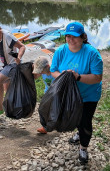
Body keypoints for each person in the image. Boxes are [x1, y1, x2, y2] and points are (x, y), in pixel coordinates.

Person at [50, 21, 103, 165]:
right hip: (69, 94)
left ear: (83, 37)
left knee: (85, 121)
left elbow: (98, 77)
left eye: (74, 36)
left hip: (89, 95)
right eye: (68, 36)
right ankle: (79, 133)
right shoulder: (61, 51)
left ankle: (83, 148)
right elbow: (53, 70)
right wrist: (64, 76)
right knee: (74, 117)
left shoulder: (92, 53)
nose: (70, 40)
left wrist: (77, 77)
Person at [32, 56, 55, 134]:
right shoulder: (43, 72)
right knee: (42, 109)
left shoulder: (54, 72)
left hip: (57, 94)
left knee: (55, 110)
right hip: (47, 93)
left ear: (48, 67)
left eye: (41, 71)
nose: (40, 72)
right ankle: (45, 127)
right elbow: (35, 76)